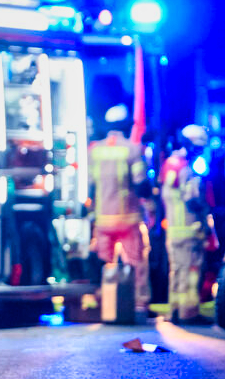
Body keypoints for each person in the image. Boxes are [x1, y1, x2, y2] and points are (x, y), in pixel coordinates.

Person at [88, 104, 153, 315]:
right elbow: (141, 183)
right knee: (135, 262)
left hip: (103, 218)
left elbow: (90, 185)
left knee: (105, 262)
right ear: (126, 125)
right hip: (128, 217)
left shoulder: (95, 150)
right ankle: (138, 303)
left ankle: (105, 304)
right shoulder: (132, 149)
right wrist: (151, 203)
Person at [160, 124, 214, 325]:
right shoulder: (188, 169)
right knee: (191, 271)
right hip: (190, 229)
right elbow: (193, 199)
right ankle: (189, 313)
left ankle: (175, 311)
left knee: (177, 269)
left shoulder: (169, 164)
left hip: (173, 230)